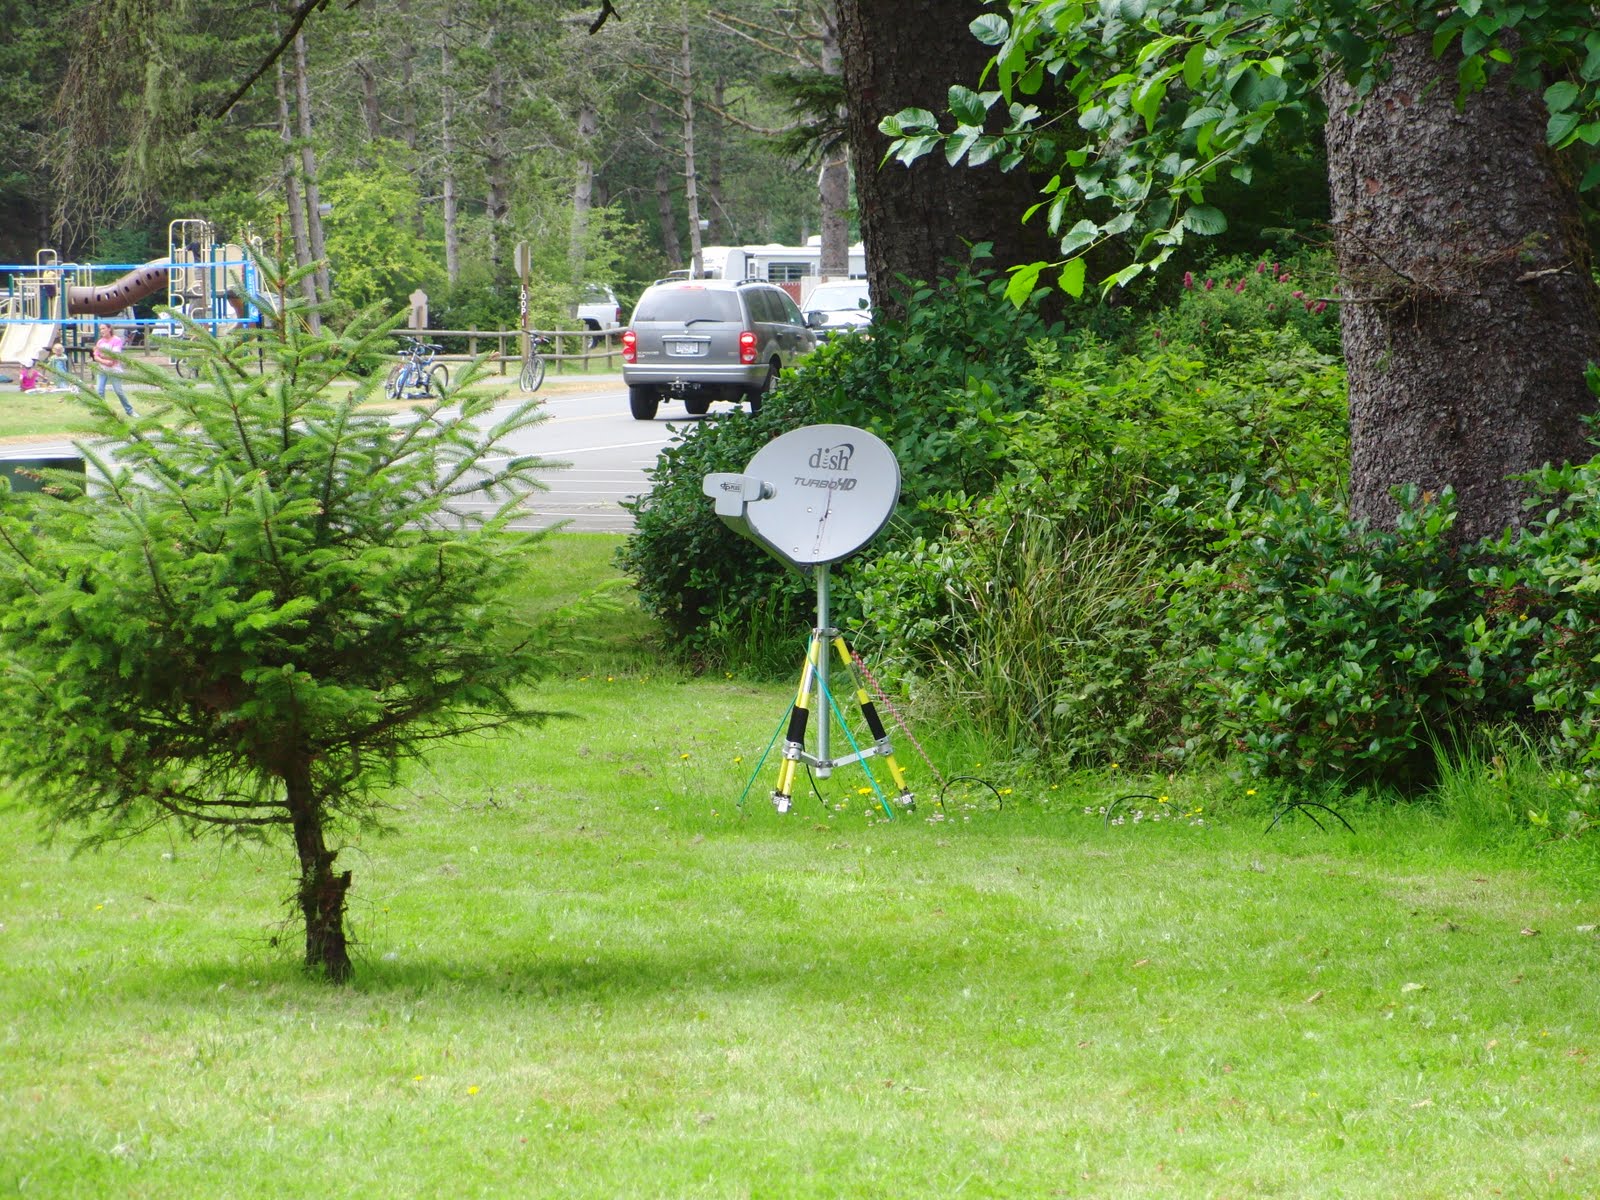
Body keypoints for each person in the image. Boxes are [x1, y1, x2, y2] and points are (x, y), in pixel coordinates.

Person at [93, 326, 133, 415]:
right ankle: (104, 411)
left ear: (109, 329)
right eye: (100, 329)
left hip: (114, 369)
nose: (101, 331)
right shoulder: (100, 342)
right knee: (99, 391)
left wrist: (102, 356)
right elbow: (96, 356)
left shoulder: (116, 340)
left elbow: (114, 356)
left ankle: (129, 410)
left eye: (103, 328)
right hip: (102, 369)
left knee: (119, 391)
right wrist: (104, 361)